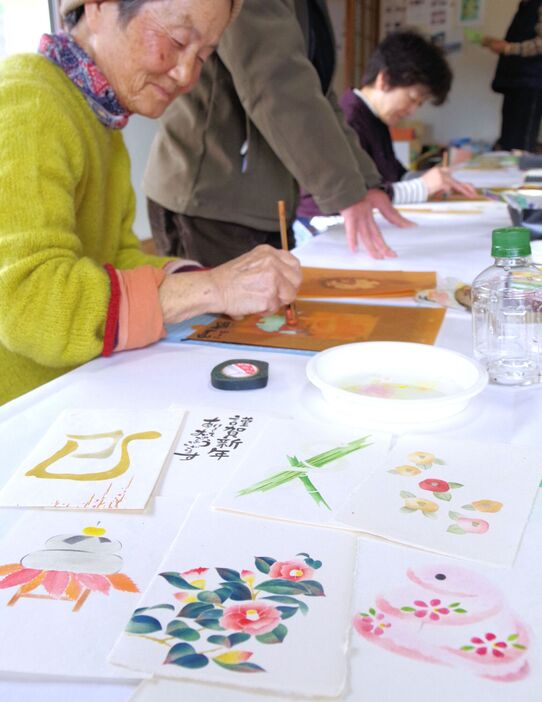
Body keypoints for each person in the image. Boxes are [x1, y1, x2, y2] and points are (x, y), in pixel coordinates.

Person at [0, 0, 302, 406]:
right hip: (24, 415)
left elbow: (116, 256)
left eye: (204, 56)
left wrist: (218, 280)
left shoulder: (100, 119)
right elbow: (29, 304)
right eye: (177, 40)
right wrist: (212, 289)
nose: (186, 74)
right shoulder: (30, 107)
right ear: (99, 7)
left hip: (74, 389)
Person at [144, 0, 413, 267]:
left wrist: (365, 184)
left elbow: (317, 93)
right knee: (226, 308)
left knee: (270, 303)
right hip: (211, 196)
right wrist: (347, 192)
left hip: (257, 199)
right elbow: (278, 85)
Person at [298, 31, 477, 224]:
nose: (412, 111)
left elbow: (396, 175)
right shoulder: (350, 117)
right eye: (413, 99)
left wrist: (435, 177)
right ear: (385, 80)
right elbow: (357, 195)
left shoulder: (375, 119)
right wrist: (423, 186)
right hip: (324, 226)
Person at [482, 0, 542, 152]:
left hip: (531, 81)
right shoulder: (525, 5)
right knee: (508, 140)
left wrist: (508, 48)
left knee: (521, 144)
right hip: (515, 80)